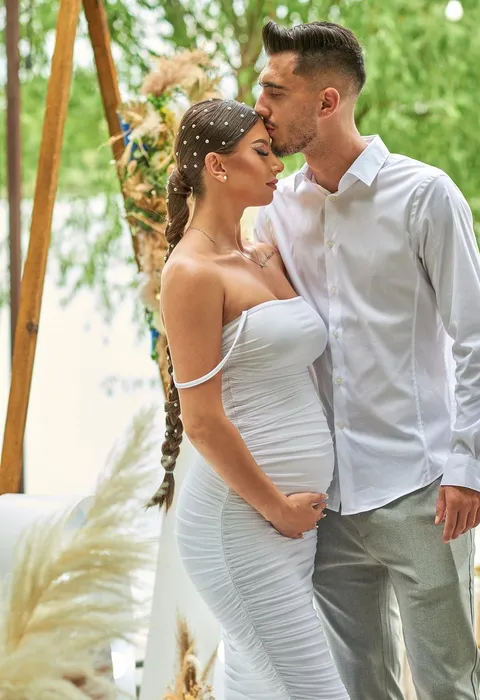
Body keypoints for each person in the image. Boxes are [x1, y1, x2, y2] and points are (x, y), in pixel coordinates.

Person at [254, 20, 480, 700]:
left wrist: (468, 466)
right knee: (360, 687)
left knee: (447, 685)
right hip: (326, 501)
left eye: (275, 92)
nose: (260, 108)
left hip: (423, 488)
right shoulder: (276, 209)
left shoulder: (425, 194)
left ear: (327, 101)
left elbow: (475, 339)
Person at [148, 98, 349, 700]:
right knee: (318, 690)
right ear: (216, 166)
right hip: (241, 523)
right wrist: (277, 510)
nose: (277, 164)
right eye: (261, 152)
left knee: (259, 689)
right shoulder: (190, 273)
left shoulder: (257, 254)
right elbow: (203, 423)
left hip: (287, 527)